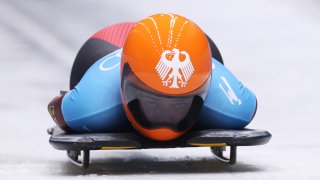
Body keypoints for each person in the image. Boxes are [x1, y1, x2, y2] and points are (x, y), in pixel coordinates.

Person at [48, 13, 257, 141]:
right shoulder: (90, 104)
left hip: (192, 54)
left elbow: (56, 107)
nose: (165, 121)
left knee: (209, 50)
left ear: (204, 90)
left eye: (179, 104)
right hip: (108, 41)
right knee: (82, 72)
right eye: (152, 103)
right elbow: (59, 107)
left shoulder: (234, 106)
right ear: (123, 85)